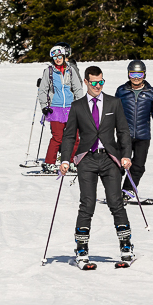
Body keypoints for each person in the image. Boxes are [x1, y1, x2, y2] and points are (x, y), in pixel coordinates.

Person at [59, 66, 134, 261]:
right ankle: (82, 247)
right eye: (94, 82)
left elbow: (123, 131)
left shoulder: (114, 103)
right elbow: (68, 136)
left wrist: (126, 155)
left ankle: (126, 244)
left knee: (115, 201)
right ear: (86, 82)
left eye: (101, 82)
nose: (98, 86)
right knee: (87, 203)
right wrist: (66, 159)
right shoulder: (77, 106)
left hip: (110, 159)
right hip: (87, 159)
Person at [114, 59, 153, 204]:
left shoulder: (151, 92)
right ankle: (113, 190)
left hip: (143, 135)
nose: (136, 77)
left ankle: (127, 190)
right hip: (124, 134)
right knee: (119, 164)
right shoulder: (121, 91)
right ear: (128, 74)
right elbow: (114, 111)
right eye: (133, 74)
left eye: (139, 74)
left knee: (138, 165)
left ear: (144, 74)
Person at [35, 44, 85, 172]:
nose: (58, 59)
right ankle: (49, 162)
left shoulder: (70, 70)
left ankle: (73, 162)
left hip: (71, 108)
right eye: (55, 57)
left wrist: (80, 104)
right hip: (55, 108)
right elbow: (43, 90)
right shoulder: (49, 71)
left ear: (64, 56)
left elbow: (78, 89)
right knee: (57, 137)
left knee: (74, 137)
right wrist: (44, 106)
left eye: (60, 56)